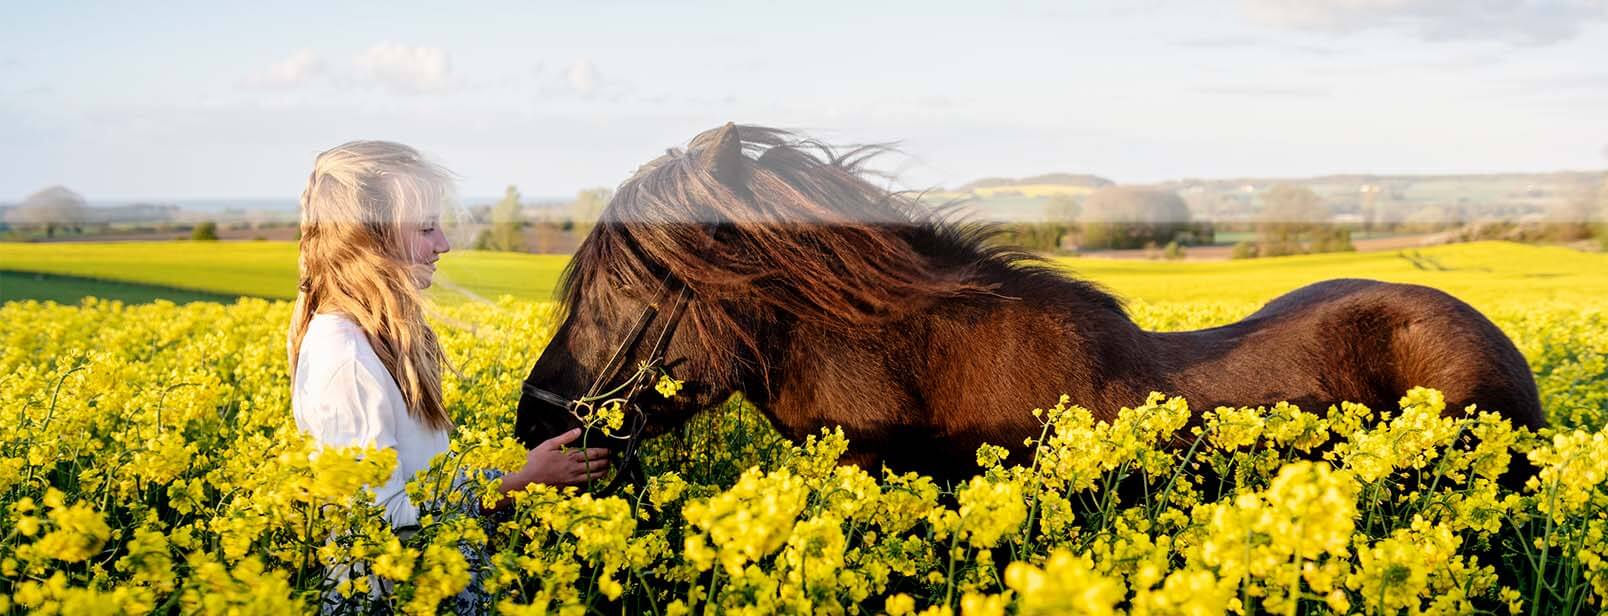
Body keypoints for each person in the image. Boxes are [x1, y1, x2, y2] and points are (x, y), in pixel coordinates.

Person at [287, 139, 609, 530]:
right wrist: (520, 484)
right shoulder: (348, 358)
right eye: (425, 228)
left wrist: (514, 471)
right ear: (369, 240)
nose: (443, 244)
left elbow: (424, 482)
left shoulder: (379, 341)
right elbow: (383, 523)